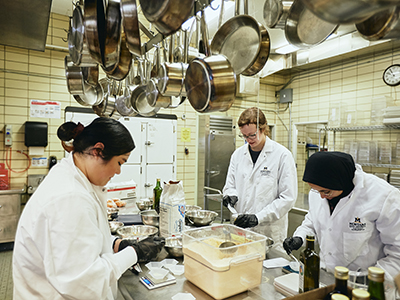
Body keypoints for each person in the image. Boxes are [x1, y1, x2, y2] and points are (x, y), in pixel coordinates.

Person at [13, 118, 165, 300]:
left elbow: (83, 238)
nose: (118, 172)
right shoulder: (69, 197)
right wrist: (135, 253)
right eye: (120, 162)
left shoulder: (70, 176)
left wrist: (117, 244)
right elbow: (85, 281)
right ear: (97, 151)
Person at [283, 151, 400, 281]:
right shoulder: (319, 192)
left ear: (341, 182)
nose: (321, 196)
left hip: (365, 283)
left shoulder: (383, 197)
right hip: (327, 277)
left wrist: (372, 279)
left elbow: (397, 252)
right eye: (317, 190)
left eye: (325, 191)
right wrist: (300, 237)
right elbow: (312, 221)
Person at [222, 107, 298, 252]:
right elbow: (230, 185)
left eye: (252, 135)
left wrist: (258, 217)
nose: (248, 140)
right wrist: (230, 195)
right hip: (241, 230)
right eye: (244, 136)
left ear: (263, 129)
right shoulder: (237, 155)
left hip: (269, 233)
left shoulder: (282, 156)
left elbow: (287, 198)